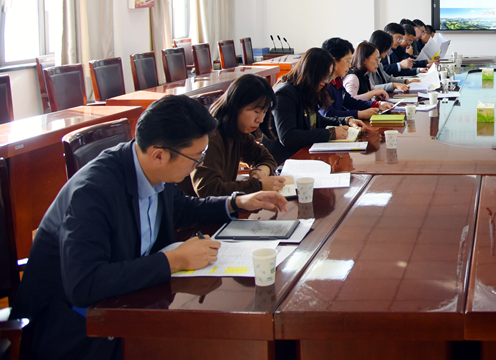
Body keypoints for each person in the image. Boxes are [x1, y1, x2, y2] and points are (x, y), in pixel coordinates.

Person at [11, 96, 287, 360]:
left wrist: (237, 202)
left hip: (130, 303)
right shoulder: (92, 193)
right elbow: (85, 284)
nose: (199, 164)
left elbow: (182, 208)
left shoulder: (152, 169)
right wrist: (174, 260)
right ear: (159, 155)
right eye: (196, 157)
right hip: (76, 332)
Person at [179, 74, 285, 198]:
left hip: (223, 204)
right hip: (199, 207)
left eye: (264, 112)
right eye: (256, 111)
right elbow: (208, 189)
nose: (260, 119)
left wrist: (260, 172)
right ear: (236, 106)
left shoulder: (238, 131)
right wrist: (258, 185)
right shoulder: (211, 137)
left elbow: (266, 158)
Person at [264, 47, 365, 165]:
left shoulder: (307, 89)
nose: (326, 81)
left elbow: (317, 120)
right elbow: (288, 136)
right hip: (283, 161)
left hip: (303, 153)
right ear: (312, 73)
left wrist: (346, 120)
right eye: (324, 76)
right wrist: (330, 133)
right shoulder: (285, 93)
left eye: (329, 77)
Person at [319, 37, 392, 120]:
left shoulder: (337, 81)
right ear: (333, 61)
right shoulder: (323, 84)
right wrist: (360, 114)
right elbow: (328, 114)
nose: (350, 65)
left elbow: (351, 102)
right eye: (348, 61)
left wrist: (377, 104)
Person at [368, 29, 413, 94]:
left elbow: (387, 78)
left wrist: (405, 81)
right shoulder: (368, 63)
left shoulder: (379, 61)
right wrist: (394, 85)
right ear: (381, 46)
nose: (389, 51)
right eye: (388, 48)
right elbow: (371, 88)